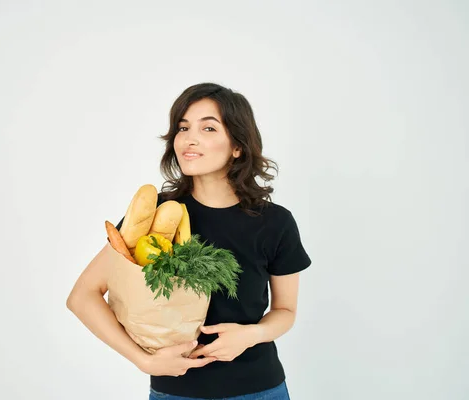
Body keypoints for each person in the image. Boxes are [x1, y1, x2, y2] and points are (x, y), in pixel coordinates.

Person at [67, 82, 312, 400]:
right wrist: (144, 361)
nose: (189, 139)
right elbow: (82, 296)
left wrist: (252, 335)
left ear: (237, 146)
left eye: (208, 127)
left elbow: (285, 310)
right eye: (183, 128)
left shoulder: (275, 222)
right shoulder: (156, 216)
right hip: (176, 393)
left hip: (259, 390)